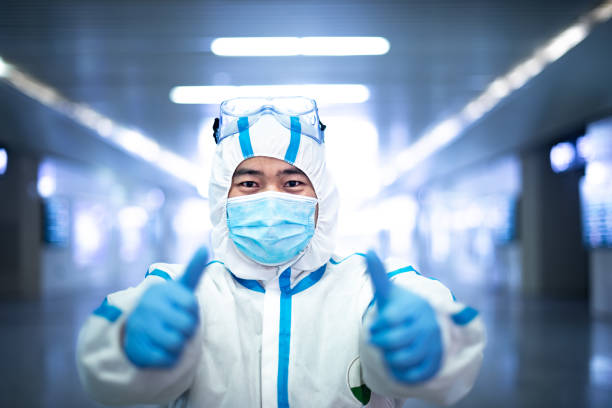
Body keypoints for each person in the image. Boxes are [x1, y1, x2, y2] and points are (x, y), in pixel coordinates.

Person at [76, 96, 485, 407]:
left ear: (321, 196)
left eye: (292, 183)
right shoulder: (179, 291)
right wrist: (128, 341)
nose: (271, 199)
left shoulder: (371, 288)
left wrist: (431, 343)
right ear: (223, 197)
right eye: (249, 184)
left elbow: (447, 345)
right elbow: (109, 367)